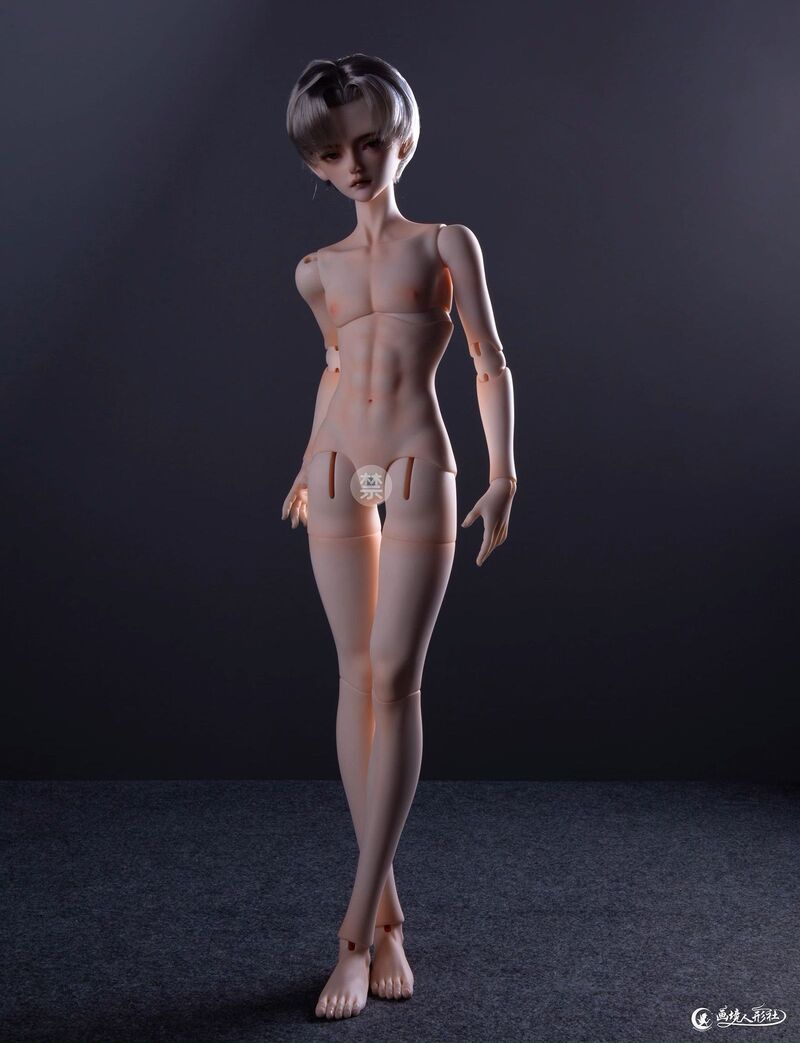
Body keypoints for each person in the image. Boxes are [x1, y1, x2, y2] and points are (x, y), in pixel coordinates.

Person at [282, 53, 517, 1020]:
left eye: (370, 141)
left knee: (395, 680)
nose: (354, 163)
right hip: (343, 471)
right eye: (332, 153)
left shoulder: (446, 243)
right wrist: (305, 462)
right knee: (354, 676)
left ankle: (353, 931)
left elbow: (490, 362)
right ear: (315, 165)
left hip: (419, 464)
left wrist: (504, 474)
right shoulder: (315, 270)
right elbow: (336, 368)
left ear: (405, 137)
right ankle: (386, 920)